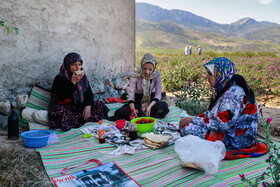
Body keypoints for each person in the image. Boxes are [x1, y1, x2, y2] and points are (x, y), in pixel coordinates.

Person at [179, 57, 268, 159]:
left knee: (188, 129)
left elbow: (221, 124)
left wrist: (192, 119)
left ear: (220, 74)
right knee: (190, 125)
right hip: (231, 131)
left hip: (237, 140)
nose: (207, 77)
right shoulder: (225, 88)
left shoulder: (233, 94)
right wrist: (193, 119)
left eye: (210, 74)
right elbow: (212, 113)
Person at [48, 52, 109, 131]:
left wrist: (88, 106)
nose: (78, 67)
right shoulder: (60, 78)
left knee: (100, 105)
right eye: (74, 65)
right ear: (68, 65)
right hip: (65, 107)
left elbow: (89, 93)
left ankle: (82, 117)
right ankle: (81, 118)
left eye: (79, 64)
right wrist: (73, 82)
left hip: (79, 106)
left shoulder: (82, 76)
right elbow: (62, 96)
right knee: (64, 116)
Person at [112, 53, 169, 121]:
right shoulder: (135, 75)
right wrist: (133, 109)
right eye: (145, 68)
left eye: (150, 69)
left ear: (154, 68)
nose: (147, 72)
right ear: (142, 66)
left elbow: (158, 94)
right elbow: (131, 96)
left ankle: (144, 114)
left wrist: (149, 107)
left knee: (163, 106)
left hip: (151, 101)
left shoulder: (156, 75)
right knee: (121, 112)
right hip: (137, 102)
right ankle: (141, 114)